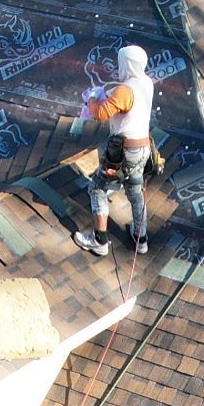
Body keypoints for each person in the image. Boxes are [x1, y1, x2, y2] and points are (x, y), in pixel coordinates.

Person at [77, 44, 158, 256]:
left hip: (122, 153)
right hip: (143, 150)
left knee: (97, 188)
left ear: (127, 64)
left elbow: (101, 114)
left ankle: (99, 240)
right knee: (135, 192)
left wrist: (92, 98)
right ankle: (141, 240)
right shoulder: (147, 83)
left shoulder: (124, 90)